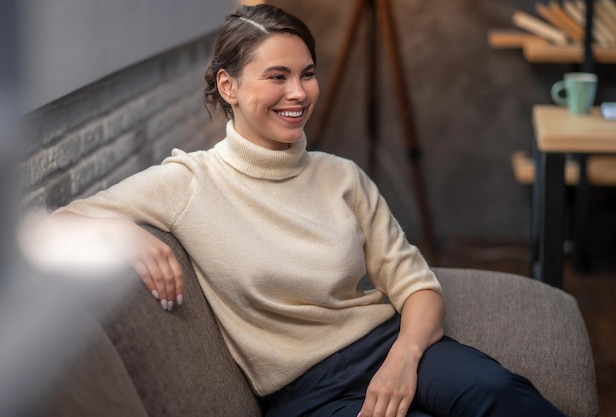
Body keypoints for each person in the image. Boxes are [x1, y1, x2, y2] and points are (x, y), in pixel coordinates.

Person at [35, 4, 566, 417]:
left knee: (501, 394)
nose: (299, 92)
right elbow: (53, 223)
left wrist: (404, 358)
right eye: (277, 76)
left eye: (307, 74)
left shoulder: (342, 177)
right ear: (229, 86)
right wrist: (126, 235)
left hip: (387, 343)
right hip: (305, 392)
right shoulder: (189, 182)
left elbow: (416, 284)